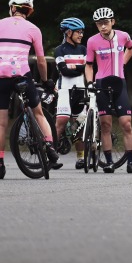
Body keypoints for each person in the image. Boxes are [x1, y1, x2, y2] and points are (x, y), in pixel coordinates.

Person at [0, 0, 60, 178]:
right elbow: (42, 61)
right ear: (29, 10)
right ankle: (50, 147)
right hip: (21, 74)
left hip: (0, 76)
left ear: (12, 8)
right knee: (38, 113)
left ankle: (0, 164)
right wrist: (46, 81)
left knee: (0, 124)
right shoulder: (34, 29)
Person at [84, 6, 132, 173]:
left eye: (106, 23)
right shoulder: (92, 41)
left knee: (126, 124)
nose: (103, 27)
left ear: (113, 22)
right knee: (105, 125)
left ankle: (130, 162)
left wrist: (123, 63)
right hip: (101, 84)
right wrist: (90, 83)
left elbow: (131, 47)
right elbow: (89, 65)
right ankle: (108, 162)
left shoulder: (123, 36)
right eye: (99, 24)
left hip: (119, 83)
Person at [52, 17, 88, 168]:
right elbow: (64, 71)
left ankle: (80, 158)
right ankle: (51, 156)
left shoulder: (83, 49)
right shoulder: (59, 50)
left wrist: (74, 68)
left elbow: (86, 68)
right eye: (78, 32)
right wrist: (77, 68)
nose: (81, 35)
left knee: (79, 125)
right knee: (61, 123)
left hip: (80, 89)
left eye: (82, 32)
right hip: (65, 90)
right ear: (68, 32)